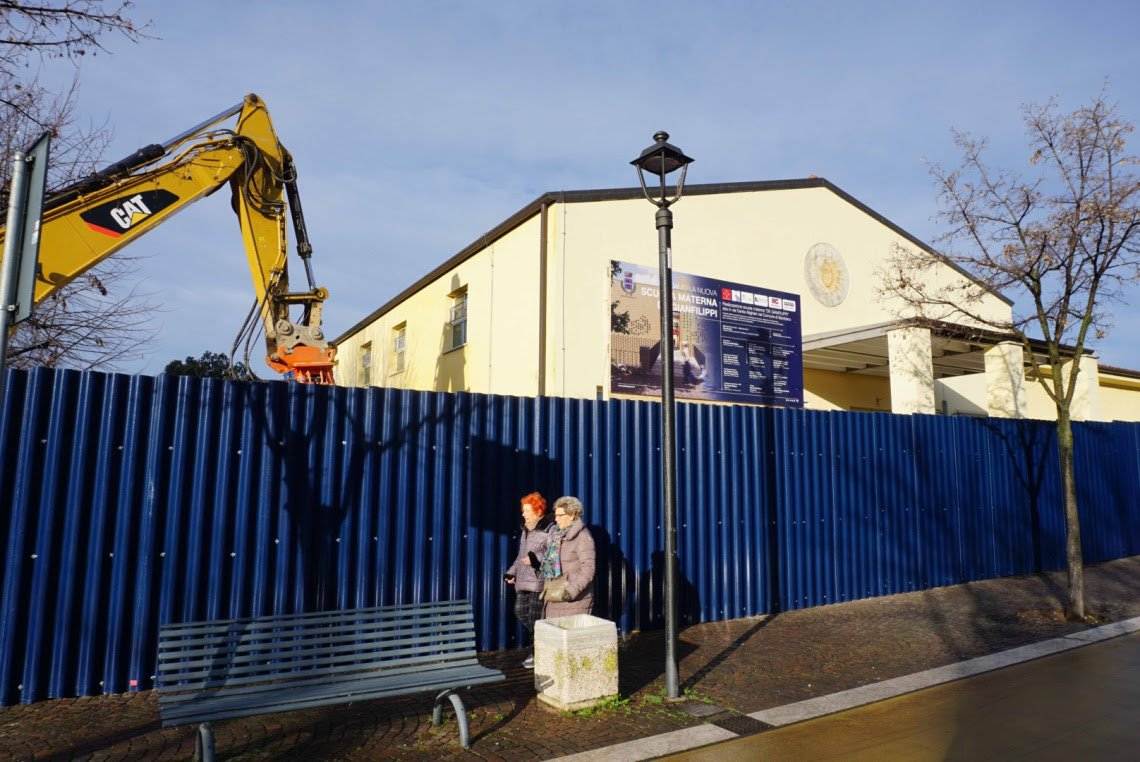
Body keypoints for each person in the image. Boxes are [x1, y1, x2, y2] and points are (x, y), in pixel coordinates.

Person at [503, 491, 551, 669]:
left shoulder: (548, 530)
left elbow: (553, 557)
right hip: (523, 580)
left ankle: (537, 653)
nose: (523, 513)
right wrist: (511, 572)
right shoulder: (525, 531)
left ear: (538, 511)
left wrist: (536, 560)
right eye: (523, 510)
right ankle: (544, 646)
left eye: (527, 510)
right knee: (521, 612)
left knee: (534, 619)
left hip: (538, 582)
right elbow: (520, 556)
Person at [540, 496, 596, 617]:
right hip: (554, 596)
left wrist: (571, 591)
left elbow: (588, 569)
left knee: (569, 635)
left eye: (560, 515)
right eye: (556, 515)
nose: (556, 519)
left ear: (572, 515)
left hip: (574, 600)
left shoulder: (582, 537)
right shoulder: (555, 536)